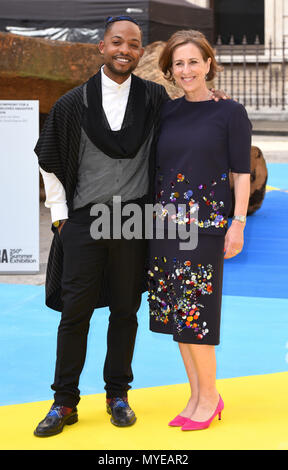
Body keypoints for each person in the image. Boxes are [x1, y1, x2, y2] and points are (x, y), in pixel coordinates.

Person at [33, 17, 226, 437]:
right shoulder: (72, 103)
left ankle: (117, 394)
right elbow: (49, 158)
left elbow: (192, 114)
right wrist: (60, 214)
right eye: (117, 42)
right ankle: (64, 400)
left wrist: (214, 100)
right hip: (85, 220)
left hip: (135, 220)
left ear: (140, 53)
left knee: (125, 311)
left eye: (134, 44)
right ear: (101, 47)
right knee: (75, 313)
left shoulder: (155, 98)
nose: (125, 49)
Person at [147, 30, 251, 431]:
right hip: (162, 225)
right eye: (179, 64)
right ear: (170, 71)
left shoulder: (230, 112)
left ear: (208, 63)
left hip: (204, 229)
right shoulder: (167, 112)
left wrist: (237, 223)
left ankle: (210, 397)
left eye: (193, 61)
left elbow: (241, 174)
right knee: (179, 317)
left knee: (197, 314)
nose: (186, 70)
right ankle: (195, 394)